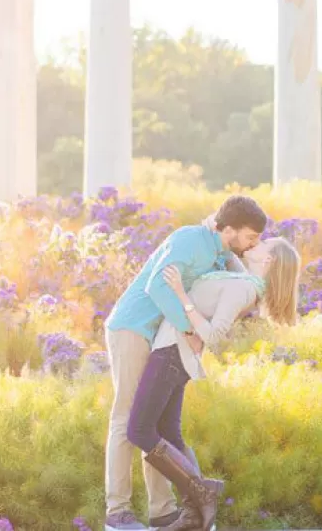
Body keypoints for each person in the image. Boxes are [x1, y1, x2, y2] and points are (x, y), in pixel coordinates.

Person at [104, 196, 267, 531]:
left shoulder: (220, 251)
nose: (254, 243)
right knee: (127, 420)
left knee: (154, 424)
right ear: (230, 229)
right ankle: (117, 512)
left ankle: (162, 510)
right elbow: (157, 287)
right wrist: (190, 329)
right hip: (134, 326)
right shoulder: (189, 239)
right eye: (251, 236)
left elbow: (248, 280)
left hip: (159, 336)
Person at [126, 237, 301, 531]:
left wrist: (181, 294)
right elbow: (226, 248)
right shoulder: (245, 280)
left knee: (139, 430)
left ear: (268, 260)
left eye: (263, 244)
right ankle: (194, 514)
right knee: (169, 433)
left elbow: (214, 333)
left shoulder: (243, 287)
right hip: (176, 353)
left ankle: (201, 493)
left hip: (172, 352)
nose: (256, 243)